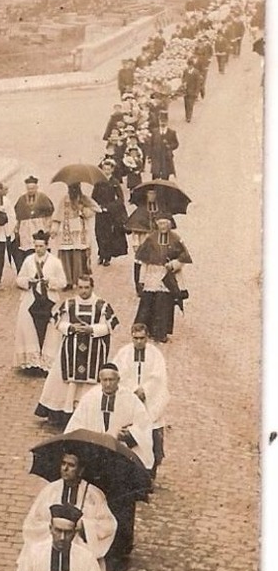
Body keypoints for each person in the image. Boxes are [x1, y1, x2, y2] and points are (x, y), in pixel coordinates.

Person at [66, 364, 154, 571]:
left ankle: (120, 548)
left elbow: (144, 425)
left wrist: (130, 435)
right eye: (104, 380)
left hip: (120, 461)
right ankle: (94, 542)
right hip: (96, 460)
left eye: (111, 380)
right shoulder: (90, 398)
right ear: (99, 381)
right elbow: (76, 424)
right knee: (95, 502)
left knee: (121, 504)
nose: (107, 384)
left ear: (118, 380)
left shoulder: (130, 400)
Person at [21, 450, 117, 571]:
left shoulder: (93, 495)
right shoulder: (50, 490)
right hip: (51, 547)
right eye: (63, 463)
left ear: (81, 470)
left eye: (71, 465)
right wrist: (55, 528)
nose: (65, 469)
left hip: (81, 551)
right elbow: (32, 523)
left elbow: (108, 525)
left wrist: (84, 526)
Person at [35, 275, 119, 428]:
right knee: (65, 382)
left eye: (87, 287)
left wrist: (91, 329)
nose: (83, 291)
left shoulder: (102, 306)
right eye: (80, 287)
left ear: (92, 287)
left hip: (93, 351)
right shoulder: (69, 304)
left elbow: (109, 326)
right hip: (71, 351)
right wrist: (70, 328)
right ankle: (61, 412)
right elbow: (58, 322)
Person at [115, 323, 170, 481]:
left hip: (149, 402)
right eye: (136, 338)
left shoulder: (155, 355)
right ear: (131, 337)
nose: (139, 342)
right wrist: (133, 389)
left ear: (147, 338)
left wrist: (145, 390)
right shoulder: (123, 354)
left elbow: (159, 377)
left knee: (151, 436)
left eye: (142, 338)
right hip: (129, 401)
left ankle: (148, 475)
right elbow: (119, 374)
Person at [13, 231, 66, 375]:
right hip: (31, 301)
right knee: (31, 329)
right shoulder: (29, 260)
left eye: (41, 246)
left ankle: (46, 361)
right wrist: (28, 282)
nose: (38, 249)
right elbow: (19, 279)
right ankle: (33, 363)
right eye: (36, 246)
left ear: (47, 246)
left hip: (49, 301)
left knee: (48, 330)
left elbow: (63, 282)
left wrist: (50, 282)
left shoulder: (55, 262)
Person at [135, 215, 192, 343]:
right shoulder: (150, 239)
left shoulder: (176, 239)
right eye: (160, 224)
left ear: (170, 224)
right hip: (152, 273)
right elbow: (144, 262)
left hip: (167, 275)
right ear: (157, 224)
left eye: (165, 224)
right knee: (148, 303)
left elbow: (183, 258)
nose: (163, 227)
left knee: (165, 304)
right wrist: (141, 280)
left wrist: (173, 264)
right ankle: (146, 330)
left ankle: (161, 332)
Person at [50, 183, 98, 290]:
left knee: (80, 255)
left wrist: (84, 210)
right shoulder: (64, 200)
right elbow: (57, 215)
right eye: (71, 188)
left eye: (75, 188)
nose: (73, 190)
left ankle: (82, 279)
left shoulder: (84, 199)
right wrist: (54, 229)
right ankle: (68, 281)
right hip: (66, 232)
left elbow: (95, 209)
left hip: (80, 232)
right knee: (66, 256)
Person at [11, 176, 53, 272]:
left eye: (33, 188)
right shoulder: (21, 199)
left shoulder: (43, 198)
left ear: (37, 188)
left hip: (40, 225)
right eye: (29, 189)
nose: (30, 191)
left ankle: (41, 271)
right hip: (25, 228)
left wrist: (48, 227)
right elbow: (17, 216)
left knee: (39, 248)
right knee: (27, 250)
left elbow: (49, 213)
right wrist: (16, 228)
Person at [91, 159, 128, 266]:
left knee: (108, 234)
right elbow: (93, 197)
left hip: (110, 214)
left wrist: (109, 207)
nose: (106, 171)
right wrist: (95, 206)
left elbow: (120, 199)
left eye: (109, 169)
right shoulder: (98, 182)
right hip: (99, 212)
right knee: (99, 233)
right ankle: (101, 254)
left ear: (112, 170)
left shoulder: (115, 183)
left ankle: (107, 257)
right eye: (104, 169)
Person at [148, 114, 179, 180]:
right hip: (156, 157)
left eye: (164, 121)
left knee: (165, 175)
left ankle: (164, 189)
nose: (163, 123)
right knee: (155, 175)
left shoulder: (171, 132)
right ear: (159, 121)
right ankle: (155, 189)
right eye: (161, 121)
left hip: (166, 157)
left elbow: (176, 144)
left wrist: (170, 146)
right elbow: (151, 144)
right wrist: (150, 156)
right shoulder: (154, 132)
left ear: (167, 121)